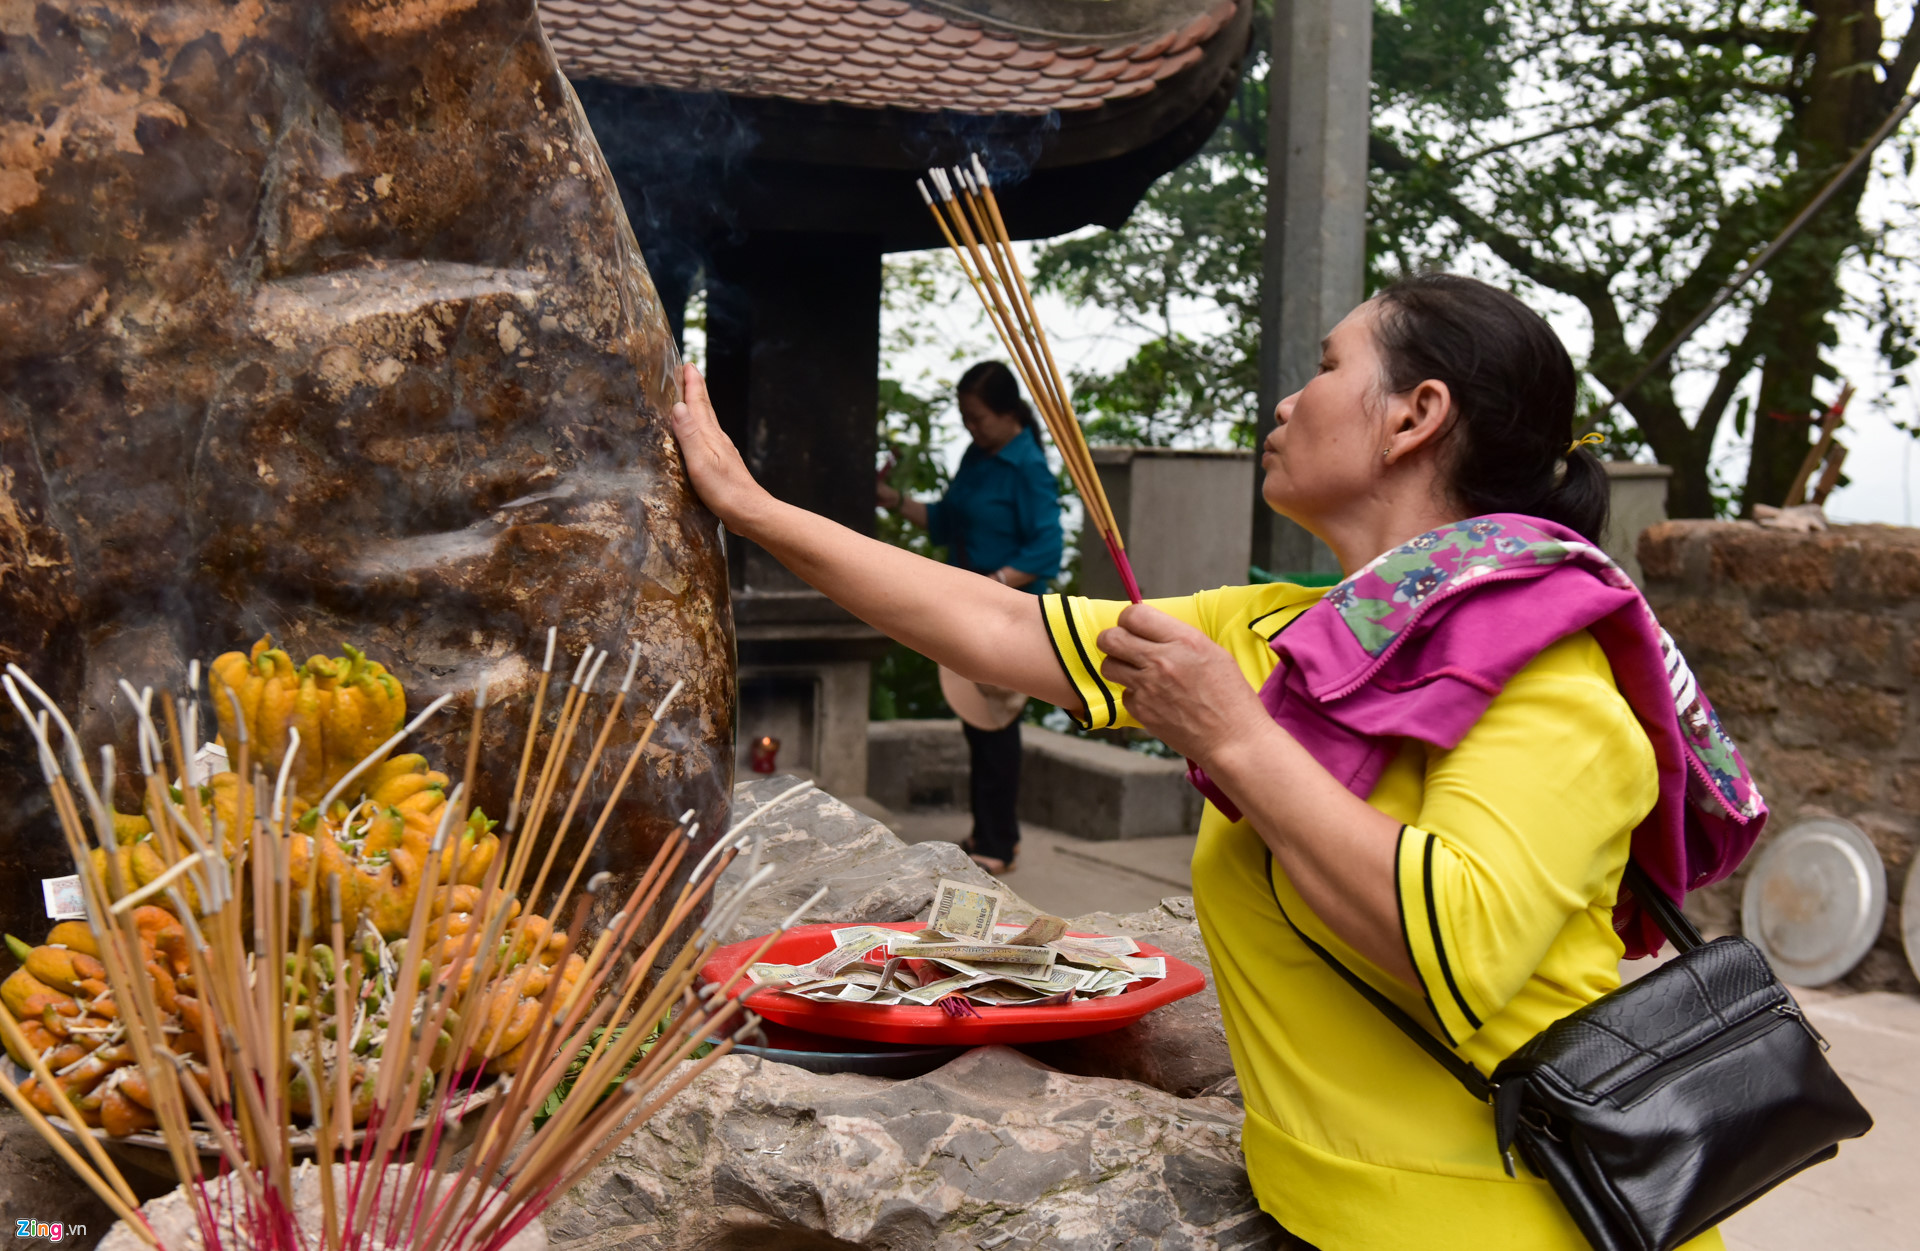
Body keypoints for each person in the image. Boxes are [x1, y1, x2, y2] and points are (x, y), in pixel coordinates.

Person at [670, 274, 1753, 1249]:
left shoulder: (1552, 678)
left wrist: (1233, 736)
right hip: (1324, 1217)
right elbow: (995, 629)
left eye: (1329, 368)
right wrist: (754, 509)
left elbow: (1452, 946)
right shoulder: (1297, 634)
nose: (1289, 401)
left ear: (1416, 418)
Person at [876, 361, 1062, 875]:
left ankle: (999, 842)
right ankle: (991, 833)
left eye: (977, 417)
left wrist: (994, 586)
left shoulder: (1027, 467)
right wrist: (892, 499)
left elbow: (1047, 547)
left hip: (1008, 611)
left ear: (1007, 414)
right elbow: (944, 521)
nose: (970, 428)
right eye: (965, 418)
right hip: (970, 606)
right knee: (979, 728)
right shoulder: (978, 457)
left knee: (998, 722)